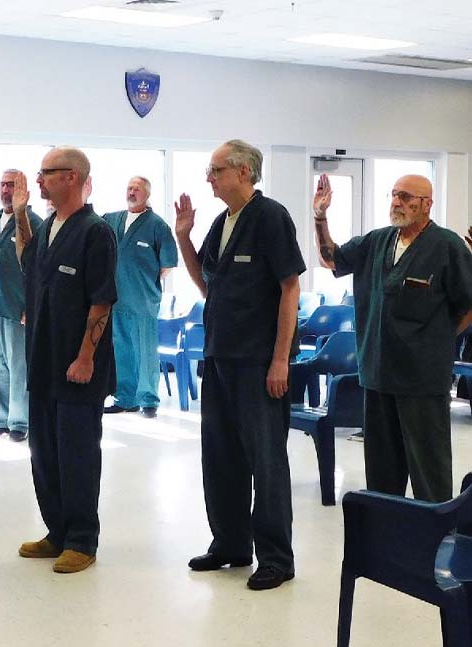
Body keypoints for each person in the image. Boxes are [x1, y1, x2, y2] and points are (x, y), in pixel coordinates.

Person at [174, 139, 304, 591]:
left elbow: (290, 288)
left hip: (258, 362)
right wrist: (183, 237)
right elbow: (207, 283)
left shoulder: (270, 217)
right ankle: (230, 543)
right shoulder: (223, 221)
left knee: (266, 462)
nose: (209, 178)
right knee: (221, 457)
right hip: (220, 357)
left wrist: (280, 359)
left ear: (244, 172)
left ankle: (276, 558)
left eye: (216, 170)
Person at [313, 174, 472, 502]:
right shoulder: (377, 241)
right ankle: (387, 531)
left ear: (426, 205)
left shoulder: (447, 246)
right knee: (381, 476)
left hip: (422, 381)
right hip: (378, 376)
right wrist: (320, 217)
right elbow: (331, 258)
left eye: (406, 197)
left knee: (429, 475)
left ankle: (434, 532)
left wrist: (442, 336)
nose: (396, 202)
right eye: (394, 195)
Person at [13, 150, 117, 574]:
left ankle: (81, 540)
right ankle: (56, 532)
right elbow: (27, 261)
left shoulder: (96, 232)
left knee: (77, 455)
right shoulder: (48, 227)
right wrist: (21, 214)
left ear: (71, 177)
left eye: (46, 174)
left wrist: (86, 356)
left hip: (78, 368)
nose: (38, 181)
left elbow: (102, 300)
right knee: (44, 453)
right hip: (43, 361)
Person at [102, 176, 177, 417]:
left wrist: (144, 282)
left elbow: (167, 265)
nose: (132, 192)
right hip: (116, 299)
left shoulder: (157, 226)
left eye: (137, 189)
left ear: (147, 194)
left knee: (145, 352)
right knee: (121, 350)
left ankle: (149, 400)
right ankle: (126, 399)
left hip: (143, 301)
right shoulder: (112, 219)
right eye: (129, 188)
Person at [0, 169, 41, 442]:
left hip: (17, 310)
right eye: (3, 185)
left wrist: (32, 305)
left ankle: (19, 423)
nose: (6, 190)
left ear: (24, 190)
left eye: (12, 185)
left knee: (19, 368)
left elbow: (39, 270)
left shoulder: (33, 223)